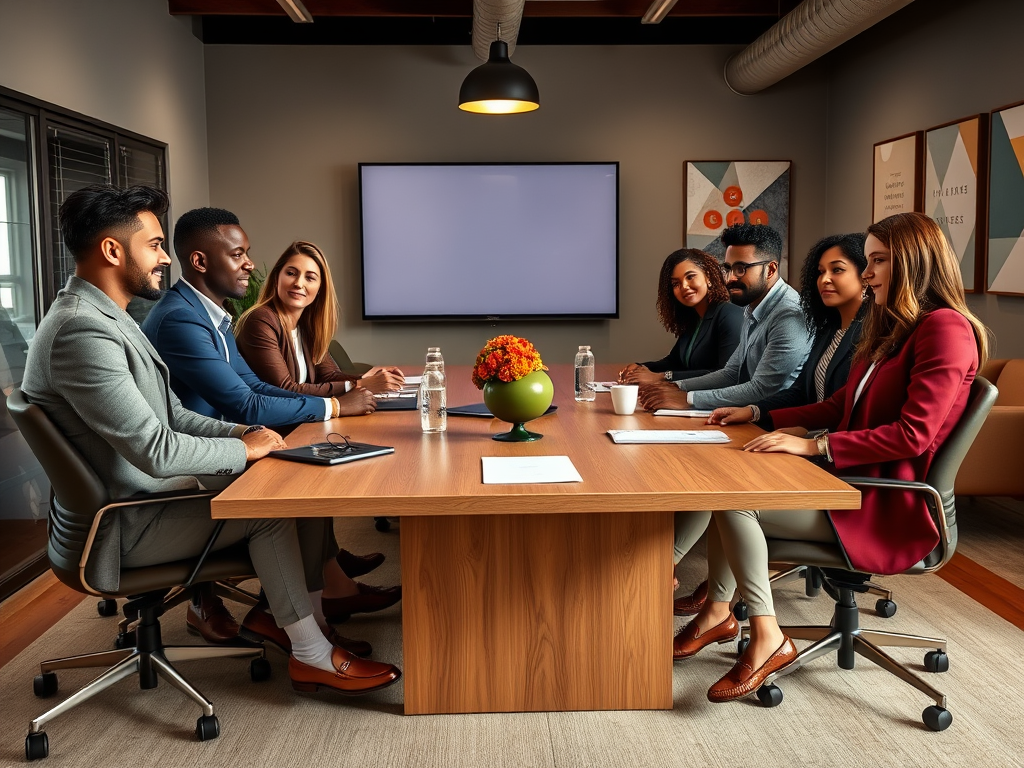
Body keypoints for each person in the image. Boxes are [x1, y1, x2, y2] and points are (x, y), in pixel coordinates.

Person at [20, 184, 401, 696]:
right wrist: (244, 449)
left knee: (292, 475)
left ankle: (304, 622)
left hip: (142, 499)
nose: (163, 258)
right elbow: (155, 449)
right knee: (272, 505)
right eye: (154, 245)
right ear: (113, 251)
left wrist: (245, 432)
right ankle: (310, 650)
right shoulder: (82, 332)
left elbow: (172, 412)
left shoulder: (112, 318)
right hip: (121, 524)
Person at [670, 211, 987, 703]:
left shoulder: (945, 329)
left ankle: (766, 634)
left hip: (886, 504)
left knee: (735, 500)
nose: (870, 272)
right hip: (850, 483)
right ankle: (719, 611)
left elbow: (913, 435)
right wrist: (759, 415)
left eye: (878, 260)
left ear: (911, 263)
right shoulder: (894, 328)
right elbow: (841, 404)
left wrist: (815, 444)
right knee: (732, 473)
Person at [142, 209, 401, 637]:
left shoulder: (213, 314)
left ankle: (317, 600)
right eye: (239, 254)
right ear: (202, 262)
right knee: (308, 482)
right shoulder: (183, 318)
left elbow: (258, 389)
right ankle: (295, 615)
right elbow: (246, 403)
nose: (249, 264)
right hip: (197, 458)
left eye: (248, 254)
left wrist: (336, 404)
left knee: (317, 467)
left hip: (231, 439)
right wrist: (335, 407)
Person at [674, 233, 868, 616]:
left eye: (837, 270)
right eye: (820, 271)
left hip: (840, 465)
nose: (824, 279)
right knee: (717, 471)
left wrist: (813, 442)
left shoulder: (858, 333)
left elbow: (844, 413)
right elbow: (815, 397)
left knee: (727, 487)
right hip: (802, 434)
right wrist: (757, 413)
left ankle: (721, 606)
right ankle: (711, 592)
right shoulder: (830, 328)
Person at [638, 224, 812, 412]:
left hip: (774, 426)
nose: (729, 279)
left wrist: (688, 399)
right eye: (728, 268)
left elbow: (761, 389)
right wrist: (676, 387)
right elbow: (731, 373)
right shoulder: (752, 307)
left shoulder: (789, 315)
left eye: (741, 269)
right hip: (749, 417)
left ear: (770, 270)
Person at [234, 240, 404, 397]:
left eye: (310, 278)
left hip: (303, 421)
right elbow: (284, 388)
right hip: (272, 428)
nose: (299, 283)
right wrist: (359, 384)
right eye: (291, 273)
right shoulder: (261, 320)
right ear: (277, 276)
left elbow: (328, 376)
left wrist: (371, 377)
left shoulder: (305, 325)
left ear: (320, 288)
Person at [619, 249, 742, 386]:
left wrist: (661, 377)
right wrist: (641, 368)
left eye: (690, 277)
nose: (684, 286)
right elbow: (674, 362)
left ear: (708, 277)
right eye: (676, 284)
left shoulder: (729, 315)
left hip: (718, 405)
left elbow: (725, 375)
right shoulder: (694, 320)